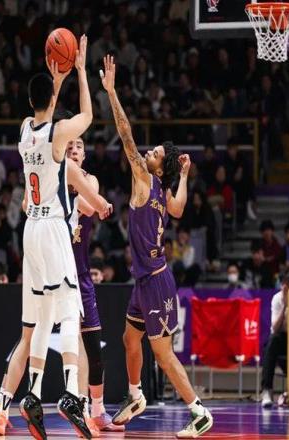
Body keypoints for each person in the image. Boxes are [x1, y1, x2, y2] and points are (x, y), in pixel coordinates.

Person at [0, 37, 111, 440]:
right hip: (54, 227)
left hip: (30, 231)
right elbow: (87, 115)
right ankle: (72, 392)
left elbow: (45, 111)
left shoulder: (25, 130)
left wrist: (54, 82)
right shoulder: (59, 136)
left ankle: (34, 394)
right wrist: (80, 71)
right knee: (70, 311)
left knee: (40, 318)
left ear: (29, 101)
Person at [101, 55, 213, 438]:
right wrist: (184, 175)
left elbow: (125, 134)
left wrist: (112, 92)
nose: (148, 153)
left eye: (155, 155)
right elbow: (179, 209)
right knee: (129, 339)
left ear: (157, 167)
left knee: (163, 356)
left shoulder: (145, 180)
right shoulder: (163, 192)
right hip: (146, 280)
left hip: (157, 282)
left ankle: (198, 411)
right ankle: (135, 396)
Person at [67, 134, 124, 433]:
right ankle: (2, 404)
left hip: (82, 275)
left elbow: (89, 207)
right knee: (33, 340)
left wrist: (67, 185)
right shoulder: (53, 180)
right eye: (69, 146)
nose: (74, 149)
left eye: (79, 146)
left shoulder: (91, 180)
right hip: (57, 276)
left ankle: (98, 411)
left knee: (94, 349)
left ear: (85, 155)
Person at [261, 269, 289, 408]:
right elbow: (275, 328)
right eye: (283, 284)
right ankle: (267, 390)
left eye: (288, 284)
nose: (285, 288)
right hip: (282, 340)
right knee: (271, 342)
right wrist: (285, 307)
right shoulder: (277, 299)